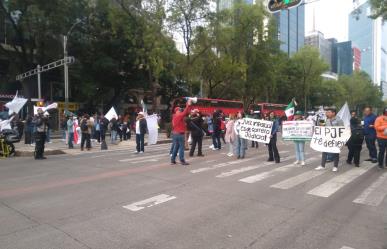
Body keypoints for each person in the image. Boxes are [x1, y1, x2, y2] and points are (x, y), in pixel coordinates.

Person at [315, 107, 344, 172]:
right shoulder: (325, 119)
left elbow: (342, 130)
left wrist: (341, 140)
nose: (327, 113)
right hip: (327, 139)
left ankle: (335, 166)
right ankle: (322, 165)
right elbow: (321, 127)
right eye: (327, 112)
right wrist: (321, 123)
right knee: (324, 151)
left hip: (335, 139)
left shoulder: (339, 120)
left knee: (335, 152)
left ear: (333, 113)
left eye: (329, 112)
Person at [171, 100, 192, 165]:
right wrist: (187, 105)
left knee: (176, 147)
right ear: (178, 110)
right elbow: (185, 112)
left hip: (174, 133)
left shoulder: (174, 116)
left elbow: (186, 113)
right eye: (180, 110)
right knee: (181, 148)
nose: (180, 111)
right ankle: (182, 160)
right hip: (180, 134)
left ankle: (173, 160)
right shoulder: (179, 115)